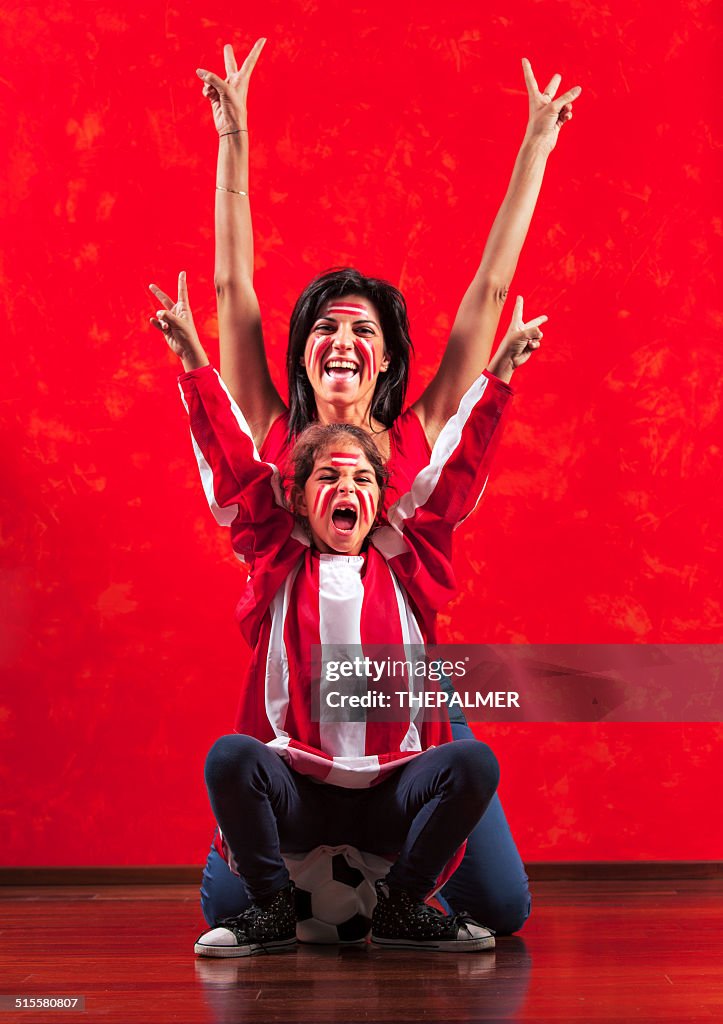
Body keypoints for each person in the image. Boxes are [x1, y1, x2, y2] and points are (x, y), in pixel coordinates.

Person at [148, 40, 579, 932]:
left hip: (405, 688)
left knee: (499, 907)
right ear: (304, 348)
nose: (342, 343)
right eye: (323, 330)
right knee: (232, 898)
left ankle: (392, 897)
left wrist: (535, 142)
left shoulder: (421, 434)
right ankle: (294, 877)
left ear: (384, 359)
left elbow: (489, 289)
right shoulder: (269, 431)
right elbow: (234, 291)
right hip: (300, 689)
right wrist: (233, 135)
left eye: (364, 332)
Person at [152, 278, 545, 955]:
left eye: (363, 480)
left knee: (474, 763)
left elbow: (453, 478)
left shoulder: (404, 553)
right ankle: (273, 906)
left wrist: (500, 375)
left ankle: (399, 904)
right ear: (299, 500)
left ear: (384, 499)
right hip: (301, 781)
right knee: (229, 758)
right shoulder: (278, 551)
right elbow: (235, 466)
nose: (347, 490)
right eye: (328, 479)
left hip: (389, 785)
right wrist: (192, 362)